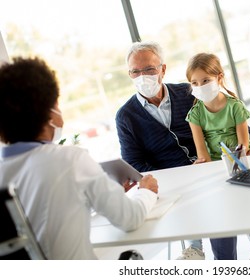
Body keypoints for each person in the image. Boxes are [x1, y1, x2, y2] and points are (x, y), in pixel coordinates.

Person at [116, 41, 250, 260]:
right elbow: (134, 164)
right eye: (135, 71)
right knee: (221, 228)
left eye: (149, 69)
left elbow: (234, 121)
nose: (143, 76)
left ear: (163, 69)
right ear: (129, 74)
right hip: (181, 185)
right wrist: (179, 176)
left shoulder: (189, 91)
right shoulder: (126, 116)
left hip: (220, 165)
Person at [0, 57, 159, 260]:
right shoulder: (69, 160)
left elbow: (37, 224)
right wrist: (146, 192)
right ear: (49, 112)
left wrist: (102, 191)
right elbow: (130, 218)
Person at [185, 52, 250, 260]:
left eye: (206, 80)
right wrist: (212, 172)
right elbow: (202, 154)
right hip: (214, 167)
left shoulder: (235, 107)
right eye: (195, 82)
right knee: (195, 201)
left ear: (219, 78)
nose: (200, 86)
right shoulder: (195, 114)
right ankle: (195, 249)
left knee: (247, 203)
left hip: (239, 163)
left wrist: (234, 164)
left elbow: (244, 144)